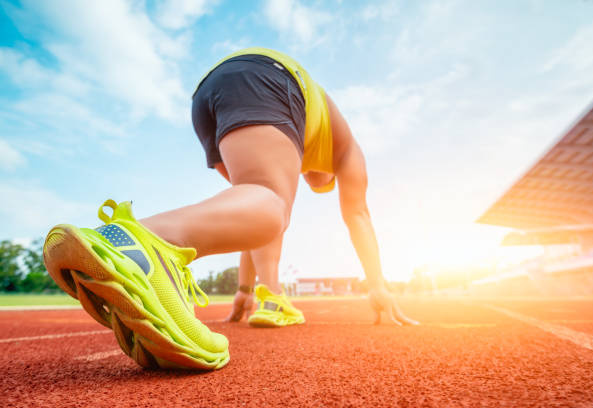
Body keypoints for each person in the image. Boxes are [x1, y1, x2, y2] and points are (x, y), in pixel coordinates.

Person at [42, 47, 415, 372]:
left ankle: (266, 296)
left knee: (259, 204)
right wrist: (378, 285)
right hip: (268, 76)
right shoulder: (348, 151)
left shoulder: (299, 140)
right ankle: (144, 243)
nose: (316, 182)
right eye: (323, 182)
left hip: (208, 95)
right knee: (271, 202)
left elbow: (248, 220)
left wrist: (243, 290)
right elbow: (358, 217)